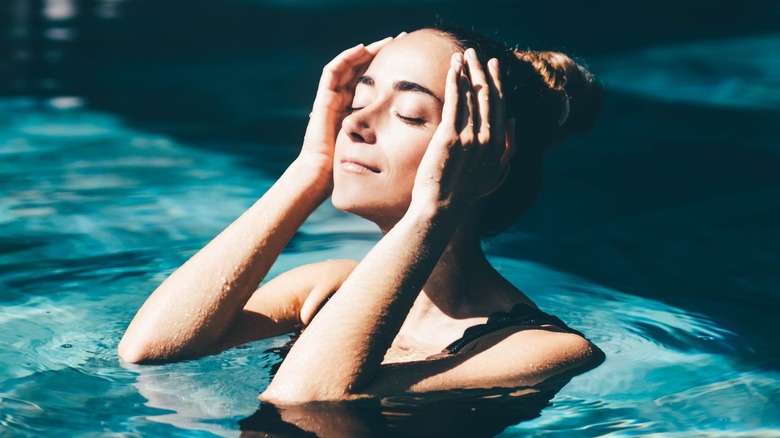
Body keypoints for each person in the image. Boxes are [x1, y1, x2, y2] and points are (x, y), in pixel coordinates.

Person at [118, 25, 605, 406]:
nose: (355, 121)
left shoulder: (543, 349)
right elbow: (150, 351)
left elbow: (304, 403)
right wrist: (309, 171)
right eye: (361, 99)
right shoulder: (326, 286)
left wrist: (434, 210)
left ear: (488, 157)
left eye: (409, 113)